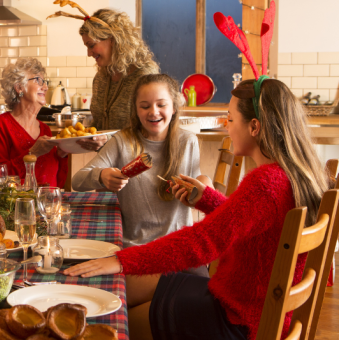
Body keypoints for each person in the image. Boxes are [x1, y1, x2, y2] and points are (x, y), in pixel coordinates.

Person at [62, 77, 329, 340]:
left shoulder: (265, 183)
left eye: (231, 119)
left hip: (236, 318)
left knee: (116, 323)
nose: (227, 125)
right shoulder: (288, 175)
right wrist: (207, 198)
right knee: (118, 292)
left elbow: (201, 242)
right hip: (238, 300)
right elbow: (243, 220)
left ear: (254, 127)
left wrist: (120, 260)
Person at [71, 74, 209, 268]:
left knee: (204, 293)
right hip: (136, 250)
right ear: (136, 110)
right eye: (145, 106)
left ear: (174, 107)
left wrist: (202, 187)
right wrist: (101, 176)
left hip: (178, 249)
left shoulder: (188, 142)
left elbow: (198, 195)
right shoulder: (122, 141)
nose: (153, 112)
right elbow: (77, 181)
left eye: (161, 105)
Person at [50, 0, 158, 152]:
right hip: (108, 165)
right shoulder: (101, 78)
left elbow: (154, 131)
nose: (89, 53)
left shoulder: (145, 77)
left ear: (113, 40)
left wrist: (109, 140)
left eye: (91, 45)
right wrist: (82, 138)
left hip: (139, 164)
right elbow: (99, 127)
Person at [0, 57, 68, 188]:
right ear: (19, 87)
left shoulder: (45, 129)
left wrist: (62, 155)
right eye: (38, 80)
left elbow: (57, 183)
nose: (45, 87)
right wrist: (32, 153)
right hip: (17, 206)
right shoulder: (0, 125)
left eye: (44, 82)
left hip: (47, 205)